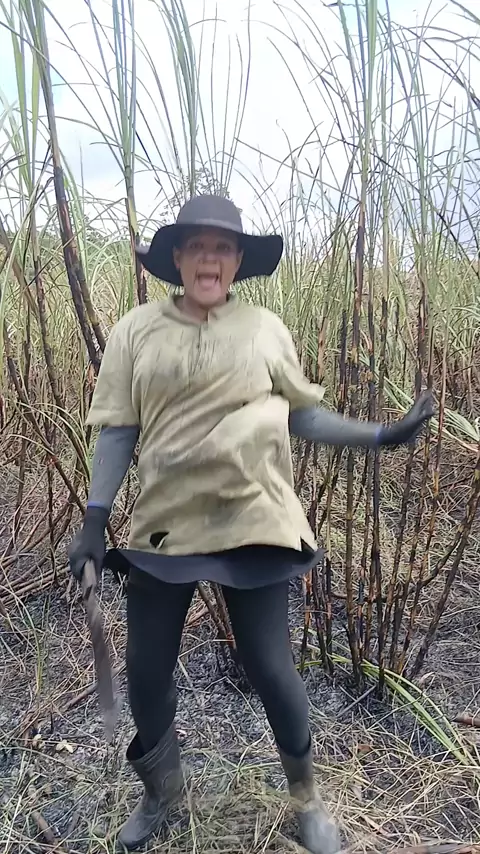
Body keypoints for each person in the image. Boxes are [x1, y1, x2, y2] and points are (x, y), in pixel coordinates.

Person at [68, 194, 434, 853]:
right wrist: (95, 518)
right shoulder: (136, 332)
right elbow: (118, 430)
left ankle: (308, 800)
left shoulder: (265, 329)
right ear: (177, 258)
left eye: (223, 248)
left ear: (238, 261)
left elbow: (301, 415)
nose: (209, 259)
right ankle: (162, 794)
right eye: (197, 247)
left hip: (255, 517)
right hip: (167, 527)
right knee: (146, 671)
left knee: (270, 665)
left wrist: (381, 435)